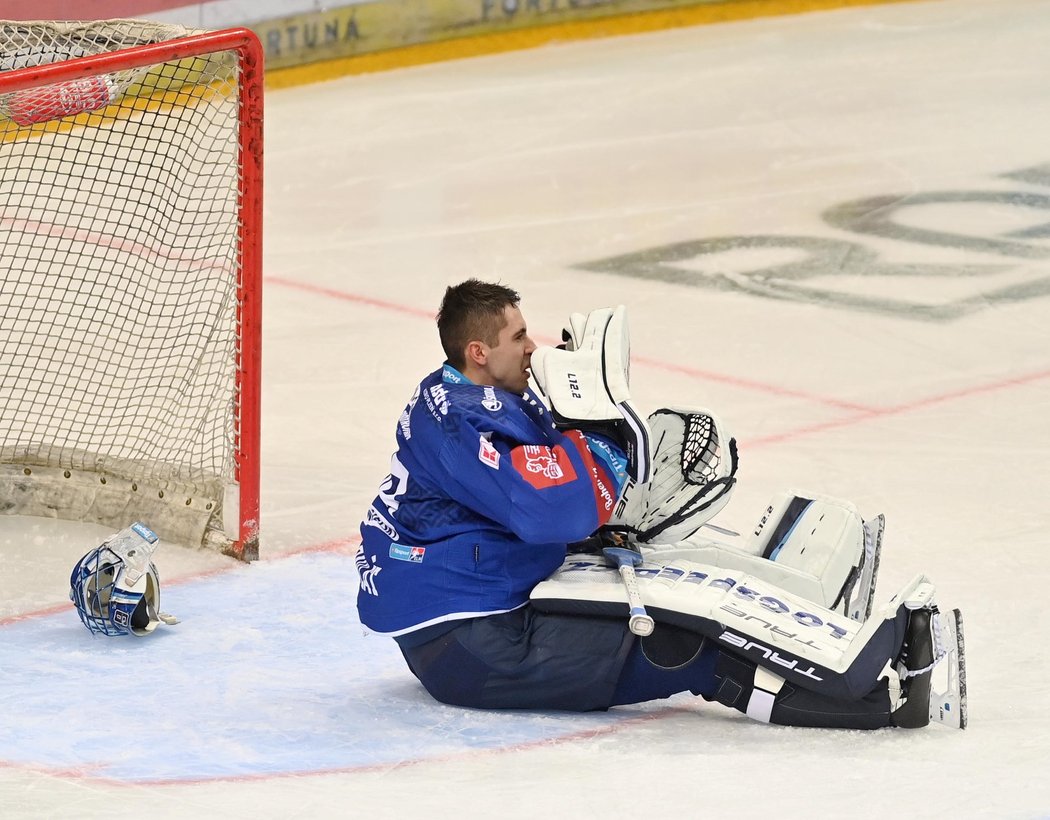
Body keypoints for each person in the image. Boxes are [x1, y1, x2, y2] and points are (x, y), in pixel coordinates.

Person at [355, 279, 966, 729]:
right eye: (518, 336)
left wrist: (587, 427)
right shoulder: (460, 422)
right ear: (479, 352)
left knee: (688, 591)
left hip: (488, 601)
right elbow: (550, 508)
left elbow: (553, 487)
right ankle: (882, 703)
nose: (532, 347)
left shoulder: (476, 398)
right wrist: (593, 422)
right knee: (683, 648)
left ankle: (827, 633)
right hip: (472, 642)